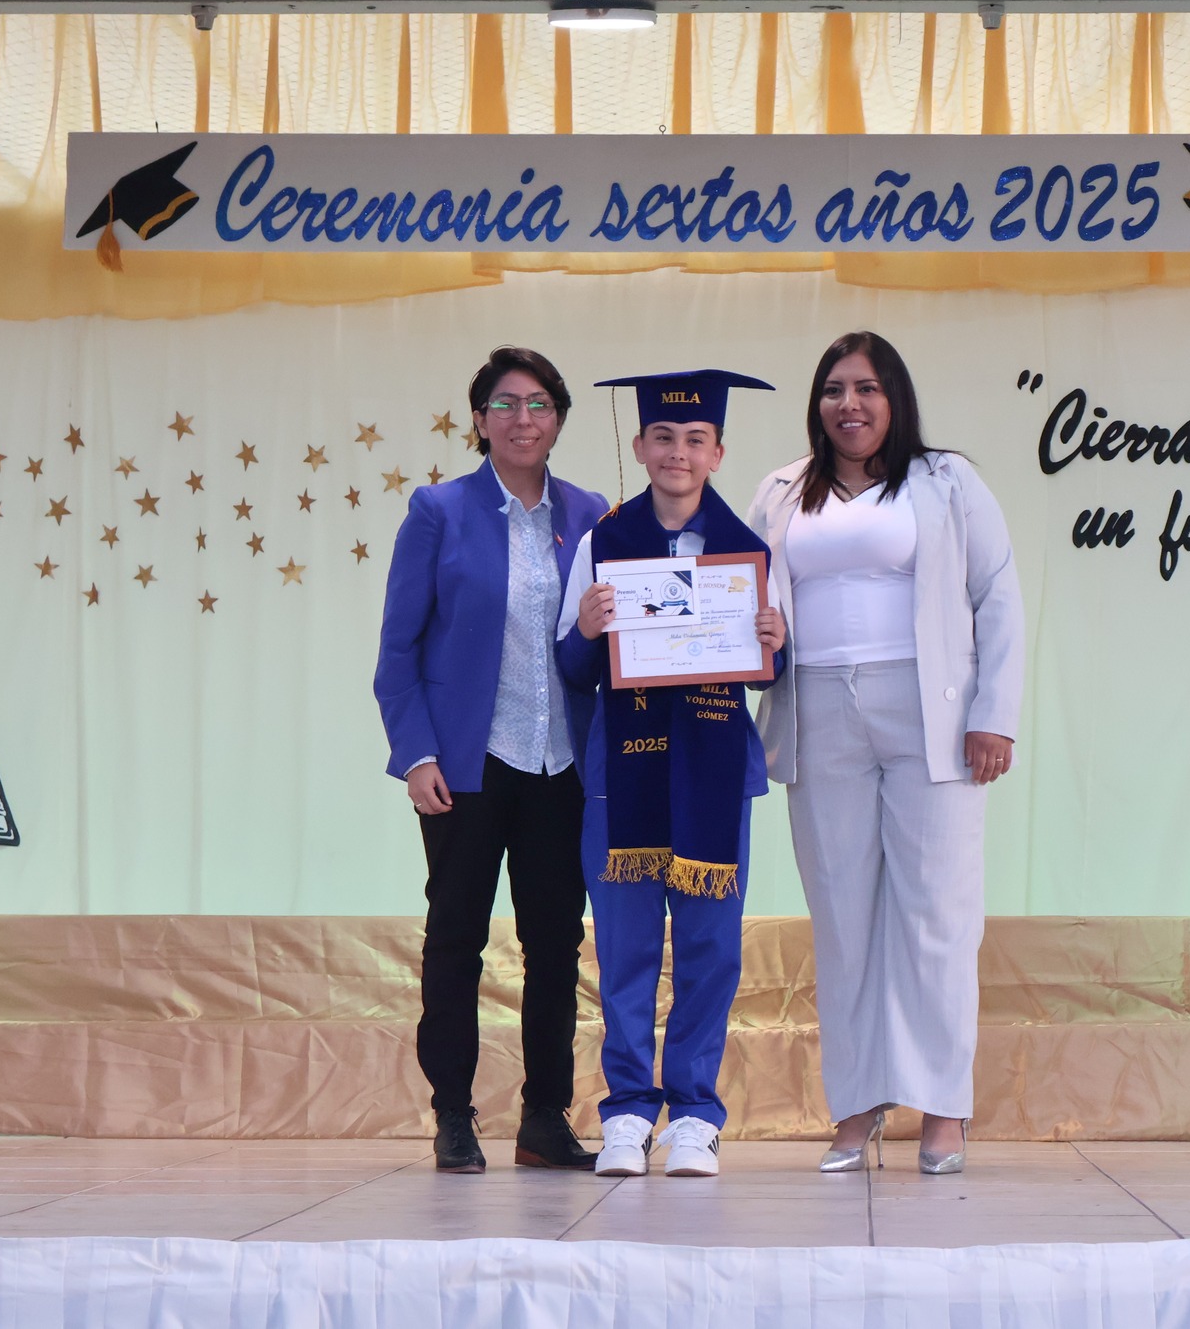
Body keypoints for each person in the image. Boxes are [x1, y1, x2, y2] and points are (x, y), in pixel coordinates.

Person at [747, 331, 1023, 1176]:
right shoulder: (782, 489)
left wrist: (994, 715)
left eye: (867, 387)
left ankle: (943, 1108)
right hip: (818, 711)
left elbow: (997, 595)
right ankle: (858, 1105)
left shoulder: (947, 480)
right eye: (834, 388)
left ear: (894, 398)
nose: (850, 404)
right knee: (843, 918)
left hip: (931, 714)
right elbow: (749, 597)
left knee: (937, 914)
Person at [373, 345, 610, 1174]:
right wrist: (416, 754)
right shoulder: (438, 510)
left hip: (561, 762)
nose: (522, 419)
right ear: (478, 420)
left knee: (555, 944)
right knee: (456, 938)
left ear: (559, 419)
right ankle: (452, 1112)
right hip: (468, 765)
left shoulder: (592, 514)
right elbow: (397, 651)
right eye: (504, 404)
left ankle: (545, 1116)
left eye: (539, 404)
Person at [556, 369, 788, 1179]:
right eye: (663, 437)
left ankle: (693, 1114)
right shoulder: (602, 543)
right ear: (639, 445)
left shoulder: (749, 552)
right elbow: (572, 666)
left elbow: (768, 669)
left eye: (695, 439)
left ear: (717, 452)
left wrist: (774, 642)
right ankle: (626, 1111)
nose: (678, 453)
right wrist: (587, 630)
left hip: (715, 775)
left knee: (709, 951)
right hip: (621, 779)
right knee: (622, 950)